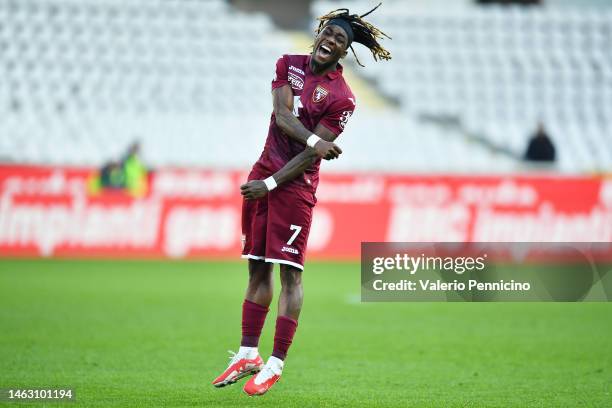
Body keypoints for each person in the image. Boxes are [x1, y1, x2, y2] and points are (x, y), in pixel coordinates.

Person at [211, 5, 391, 397]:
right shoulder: (288, 63)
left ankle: (274, 364)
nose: (331, 41)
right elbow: (282, 117)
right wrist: (315, 141)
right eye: (329, 33)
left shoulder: (343, 98)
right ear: (319, 32)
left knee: (290, 274)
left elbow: (310, 158)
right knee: (257, 268)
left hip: (292, 188)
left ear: (345, 52)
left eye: (340, 40)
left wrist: (275, 181)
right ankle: (247, 352)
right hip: (263, 175)